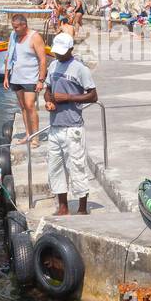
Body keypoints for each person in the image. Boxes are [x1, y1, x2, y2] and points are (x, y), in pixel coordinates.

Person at [43, 32, 98, 215]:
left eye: (62, 52)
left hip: (73, 126)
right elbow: (48, 88)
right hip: (55, 126)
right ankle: (63, 206)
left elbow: (93, 95)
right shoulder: (53, 66)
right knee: (55, 167)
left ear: (71, 49)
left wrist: (68, 98)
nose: (58, 55)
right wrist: (49, 100)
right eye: (56, 52)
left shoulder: (80, 69)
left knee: (77, 167)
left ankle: (82, 208)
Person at [3, 13, 47, 146]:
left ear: (24, 25)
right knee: (22, 107)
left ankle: (35, 137)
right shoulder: (14, 36)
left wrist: (41, 80)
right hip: (16, 77)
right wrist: (6, 76)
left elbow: (43, 59)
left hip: (31, 77)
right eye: (13, 27)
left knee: (30, 106)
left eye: (16, 27)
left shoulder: (35, 37)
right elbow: (8, 56)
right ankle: (28, 134)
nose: (14, 29)